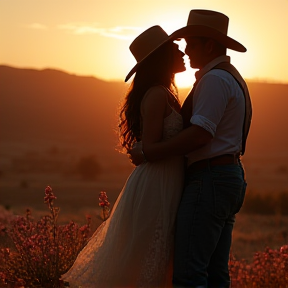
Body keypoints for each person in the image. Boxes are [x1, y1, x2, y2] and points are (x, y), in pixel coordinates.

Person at [129, 9, 252, 288]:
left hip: (210, 179)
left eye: (190, 43)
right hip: (225, 177)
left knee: (189, 275)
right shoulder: (228, 77)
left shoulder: (214, 80)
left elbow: (199, 135)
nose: (185, 49)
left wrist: (148, 153)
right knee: (214, 274)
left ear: (209, 45)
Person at [61, 25, 186, 287]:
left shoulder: (164, 92)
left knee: (158, 256)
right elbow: (149, 148)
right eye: (175, 48)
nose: (182, 51)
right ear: (162, 56)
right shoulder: (156, 94)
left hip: (165, 180)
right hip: (156, 184)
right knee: (147, 255)